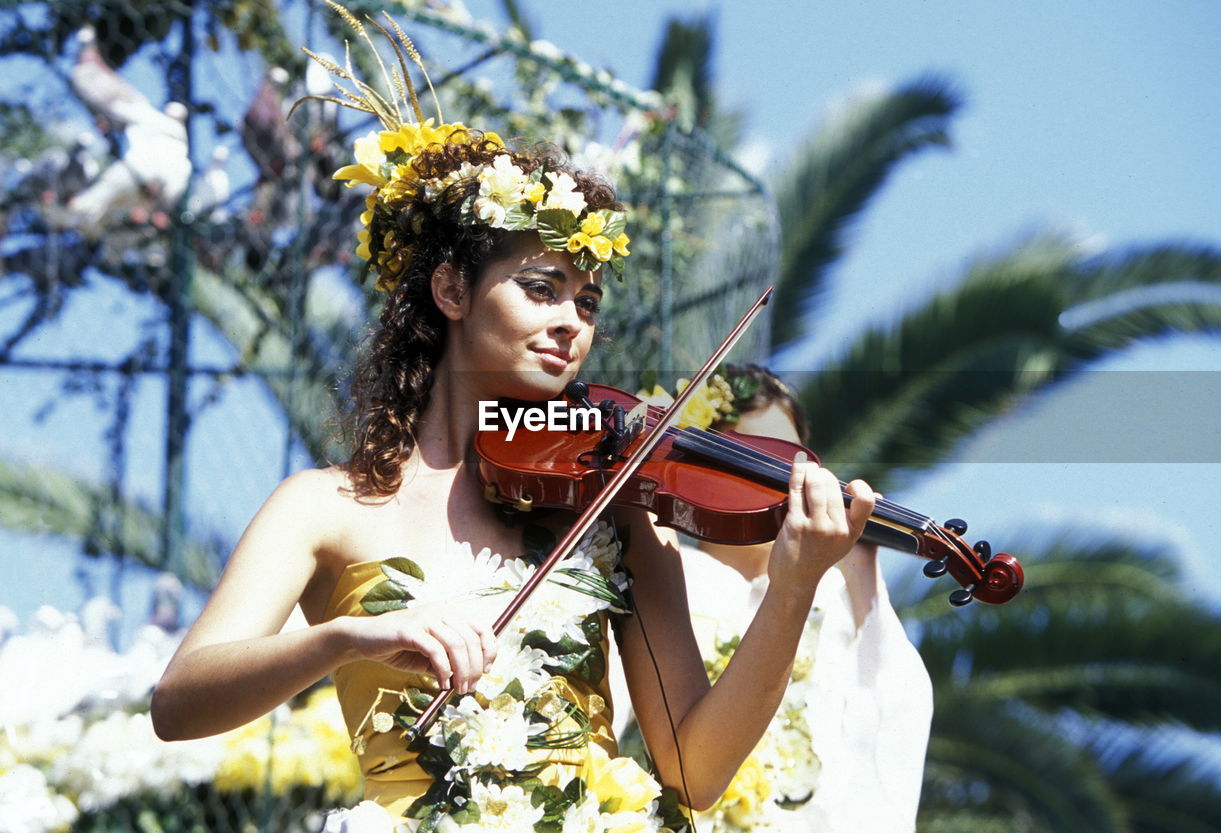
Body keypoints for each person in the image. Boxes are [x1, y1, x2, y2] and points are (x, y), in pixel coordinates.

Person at [150, 18, 878, 833]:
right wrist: (349, 636)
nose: (572, 322)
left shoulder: (616, 510)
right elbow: (179, 701)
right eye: (541, 288)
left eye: (588, 302)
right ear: (453, 290)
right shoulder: (324, 506)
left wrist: (792, 586)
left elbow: (694, 767)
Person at [619, 365, 932, 833]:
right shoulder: (665, 576)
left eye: (793, 464)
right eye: (750, 459)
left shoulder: (835, 599)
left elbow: (890, 725)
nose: (780, 484)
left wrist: (861, 580)